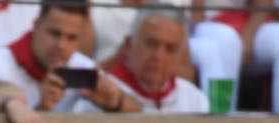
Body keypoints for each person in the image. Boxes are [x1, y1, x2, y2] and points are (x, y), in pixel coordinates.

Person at [0, 0, 135, 114]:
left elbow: (137, 109)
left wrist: (115, 102)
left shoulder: (81, 66)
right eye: (55, 33)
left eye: (71, 38)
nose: (61, 45)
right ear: (36, 26)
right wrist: (42, 108)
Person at [74, 6, 207, 115]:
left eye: (170, 49)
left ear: (180, 55)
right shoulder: (102, 94)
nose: (158, 56)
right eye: (151, 44)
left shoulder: (195, 99)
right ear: (128, 45)